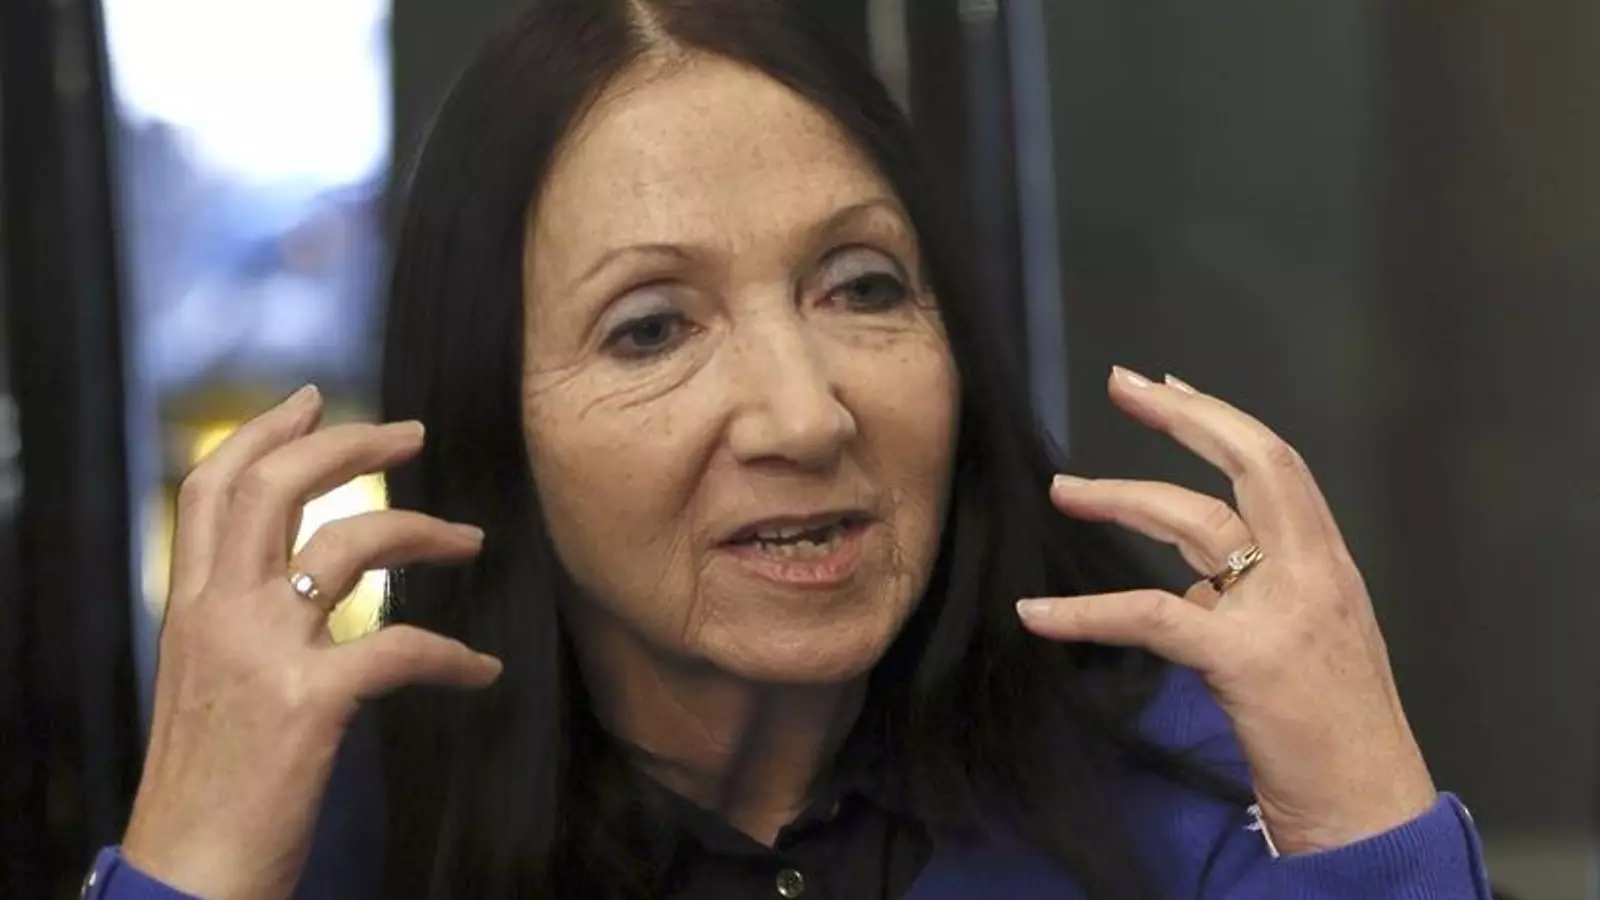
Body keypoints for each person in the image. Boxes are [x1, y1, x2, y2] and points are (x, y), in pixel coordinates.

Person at [85, 1, 1492, 898]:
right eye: (650, 328)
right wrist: (188, 864)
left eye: (863, 288)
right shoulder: (342, 839)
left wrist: (1365, 809)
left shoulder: (1187, 781)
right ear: (490, 418)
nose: (806, 416)